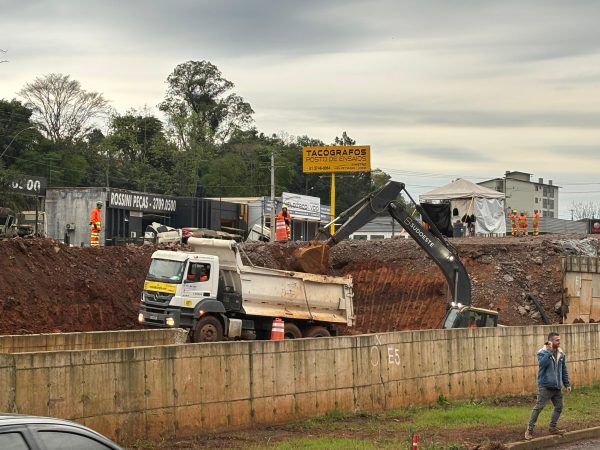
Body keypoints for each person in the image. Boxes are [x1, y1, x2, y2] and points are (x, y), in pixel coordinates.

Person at [525, 332, 571, 440]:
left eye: (559, 340)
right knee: (538, 408)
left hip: (557, 387)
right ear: (551, 341)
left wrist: (566, 383)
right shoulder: (542, 352)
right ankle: (529, 430)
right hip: (545, 386)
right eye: (557, 340)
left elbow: (563, 369)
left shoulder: (561, 353)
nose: (559, 342)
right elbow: (543, 364)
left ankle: (552, 427)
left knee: (559, 407)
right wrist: (549, 351)